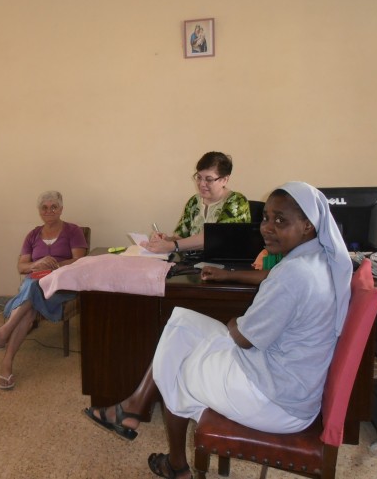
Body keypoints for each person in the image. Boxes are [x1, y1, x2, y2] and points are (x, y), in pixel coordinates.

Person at [84, 182, 352, 479]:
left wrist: (236, 322)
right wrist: (231, 277)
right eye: (265, 218)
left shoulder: (295, 274)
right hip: (291, 382)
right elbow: (272, 280)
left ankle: (173, 460)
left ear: (307, 226)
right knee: (181, 321)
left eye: (281, 221)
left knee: (176, 365)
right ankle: (135, 409)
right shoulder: (316, 258)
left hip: (274, 399)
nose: (268, 228)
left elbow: (243, 337)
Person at [0, 191, 88, 390]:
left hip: (60, 288)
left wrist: (54, 265)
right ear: (39, 211)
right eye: (44, 207)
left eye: (54, 206)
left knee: (33, 286)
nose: (49, 211)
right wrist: (37, 264)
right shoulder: (33, 235)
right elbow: (22, 267)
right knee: (29, 306)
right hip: (34, 286)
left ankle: (4, 333)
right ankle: (6, 363)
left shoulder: (73, 231)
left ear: (61, 209)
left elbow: (79, 261)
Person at [143, 151, 250, 254]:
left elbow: (214, 238)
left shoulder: (236, 201)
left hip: (225, 267)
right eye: (199, 177)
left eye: (209, 179)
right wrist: (166, 240)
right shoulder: (194, 201)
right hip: (192, 264)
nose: (201, 184)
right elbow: (181, 238)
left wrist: (172, 246)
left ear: (224, 180)